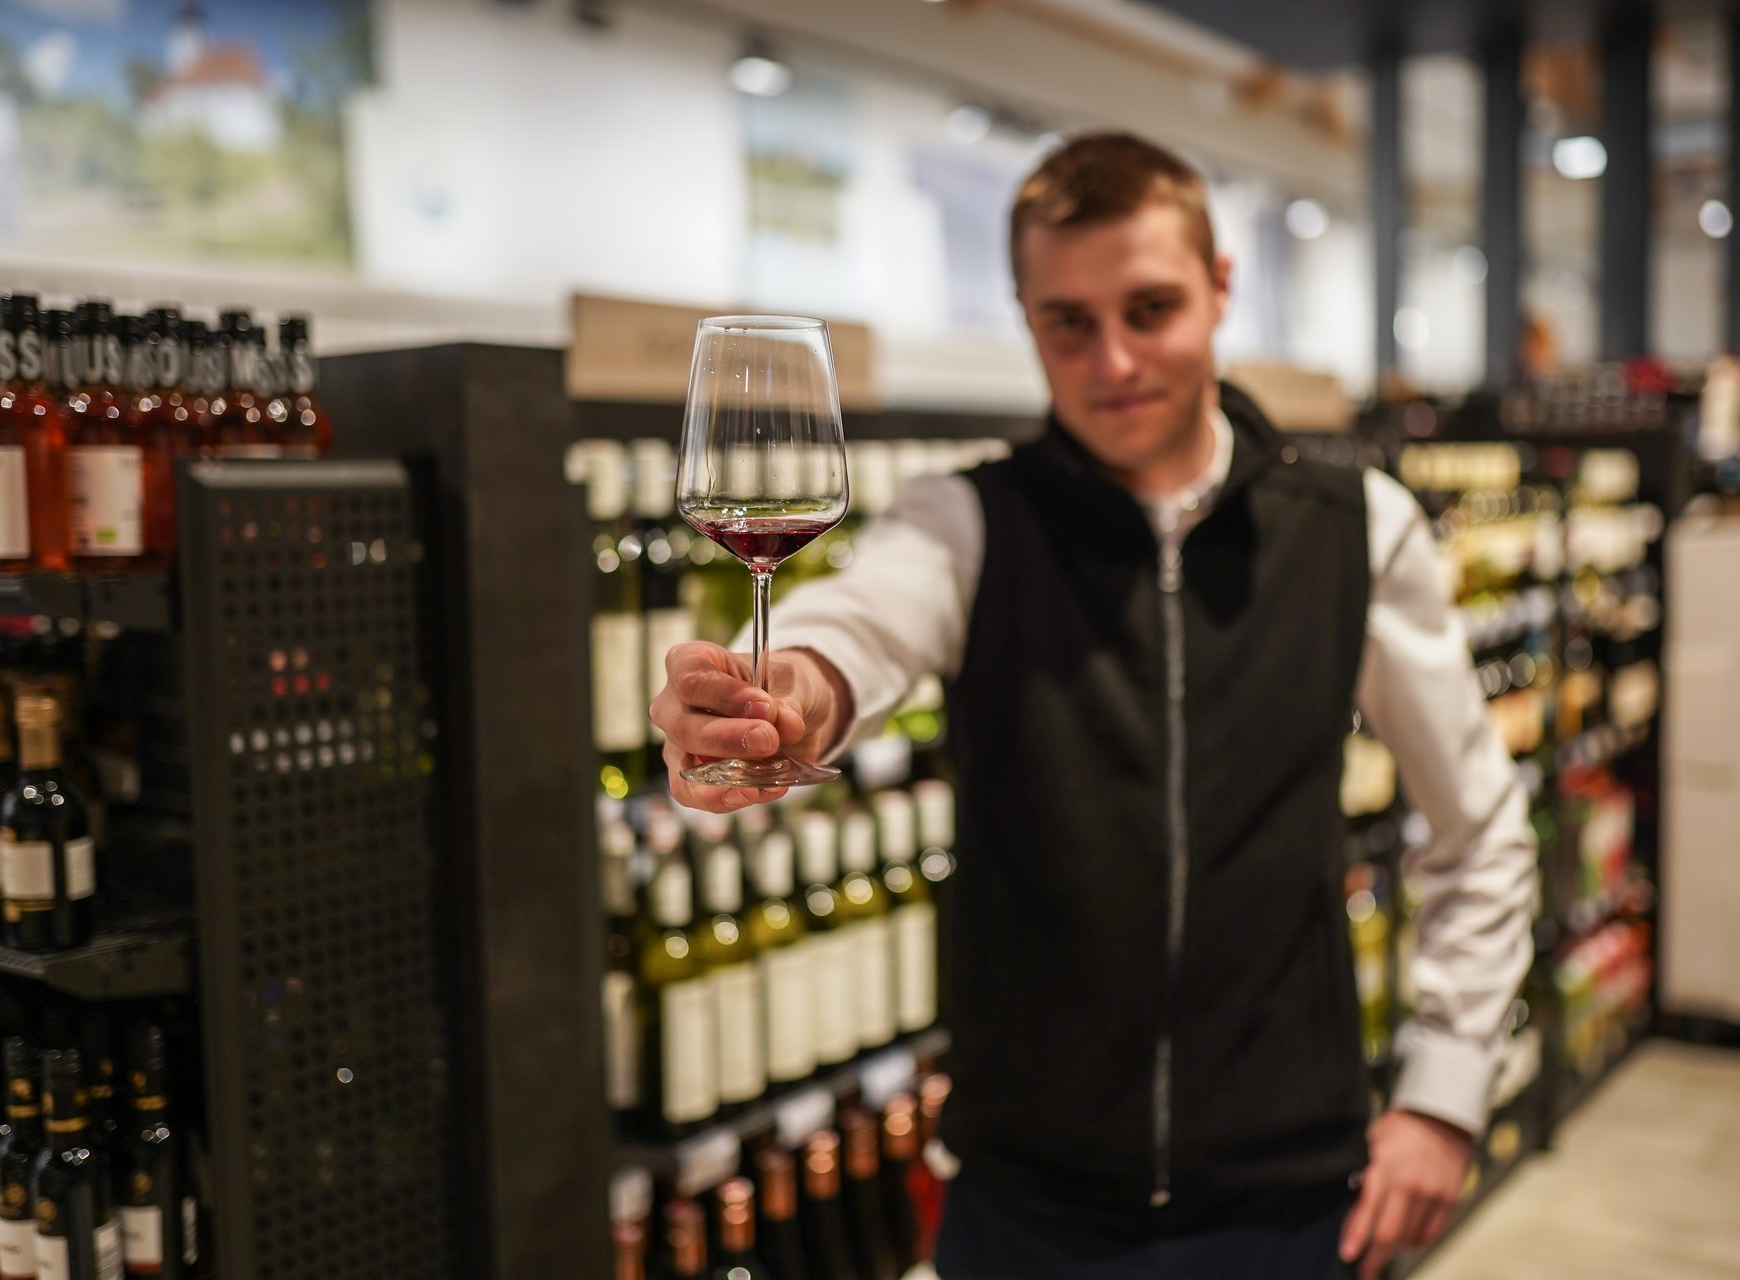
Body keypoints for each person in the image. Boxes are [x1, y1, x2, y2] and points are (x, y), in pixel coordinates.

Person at [649, 133, 1535, 1280]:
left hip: (1286, 1198)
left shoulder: (1353, 525)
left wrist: (1447, 1092)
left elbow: (1477, 822)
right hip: (1024, 1207)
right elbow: (859, 625)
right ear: (1026, 318)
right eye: (1068, 320)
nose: (1112, 359)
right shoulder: (966, 522)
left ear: (1222, 288)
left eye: (1150, 308)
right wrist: (793, 695)